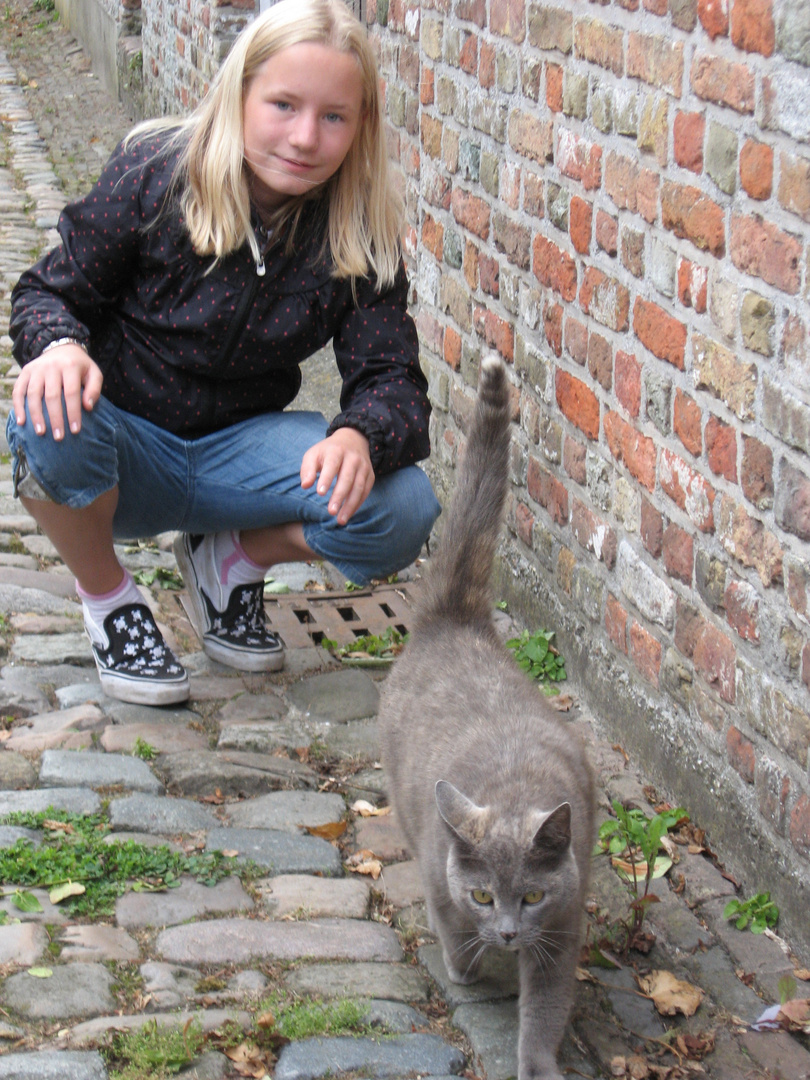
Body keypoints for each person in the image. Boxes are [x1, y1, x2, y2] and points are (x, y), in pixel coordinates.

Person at [6, 0, 439, 707]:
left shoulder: (359, 231)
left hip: (241, 456)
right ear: (240, 94)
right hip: (126, 449)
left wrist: (362, 434)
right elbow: (48, 292)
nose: (305, 137)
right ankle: (110, 600)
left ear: (361, 127)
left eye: (334, 116)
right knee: (43, 418)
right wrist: (56, 346)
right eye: (283, 104)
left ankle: (230, 559)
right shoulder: (156, 172)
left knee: (403, 505)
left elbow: (391, 376)